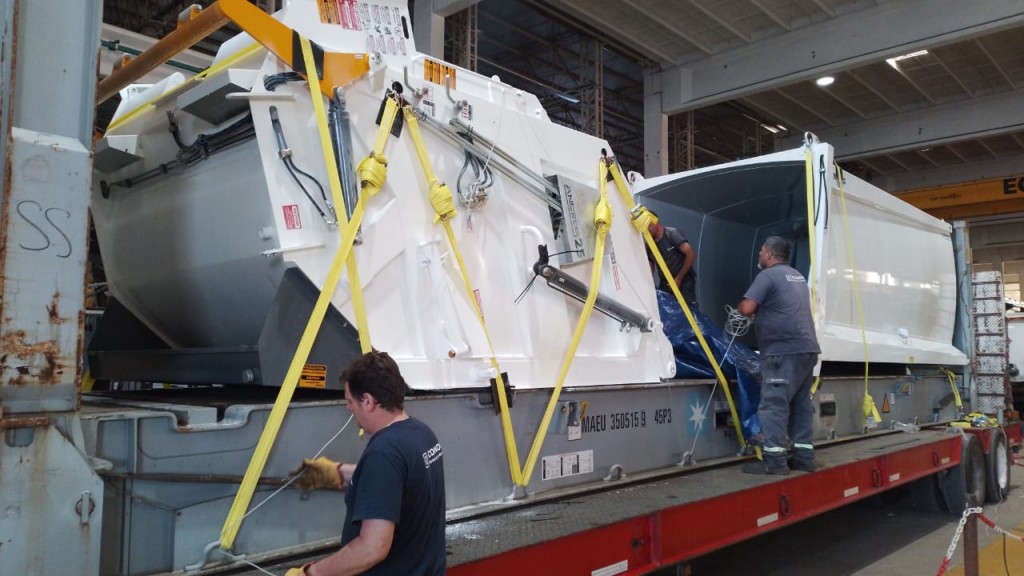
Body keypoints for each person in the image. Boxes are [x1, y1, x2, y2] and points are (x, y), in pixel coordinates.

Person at [286, 351, 446, 576]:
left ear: (368, 401)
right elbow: (399, 480)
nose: (348, 407)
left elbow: (372, 548)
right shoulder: (421, 433)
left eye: (350, 401)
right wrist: (339, 472)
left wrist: (311, 573)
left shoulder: (384, 452)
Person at [737, 236, 821, 475]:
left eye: (761, 251)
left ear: (769, 254)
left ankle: (775, 461)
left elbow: (747, 308)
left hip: (782, 352)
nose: (759, 254)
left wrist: (742, 307)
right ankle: (804, 458)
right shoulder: (797, 276)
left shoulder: (767, 276)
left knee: (774, 405)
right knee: (801, 405)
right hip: (807, 349)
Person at [647, 213, 698, 308]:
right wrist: (648, 283)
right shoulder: (650, 243)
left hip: (683, 281)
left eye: (649, 226)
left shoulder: (672, 234)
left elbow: (691, 254)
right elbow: (650, 264)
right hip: (666, 284)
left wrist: (678, 279)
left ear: (655, 221)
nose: (647, 230)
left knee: (689, 310)